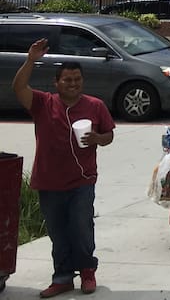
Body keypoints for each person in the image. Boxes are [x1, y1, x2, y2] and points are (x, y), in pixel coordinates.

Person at [12, 38, 115, 297]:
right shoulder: (43, 103)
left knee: (81, 229)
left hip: (82, 181)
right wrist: (30, 60)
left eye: (77, 79)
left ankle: (87, 273)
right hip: (48, 181)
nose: (73, 84)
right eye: (67, 80)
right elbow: (18, 87)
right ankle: (63, 277)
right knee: (58, 234)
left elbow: (109, 135)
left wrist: (98, 139)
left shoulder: (95, 105)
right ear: (57, 83)